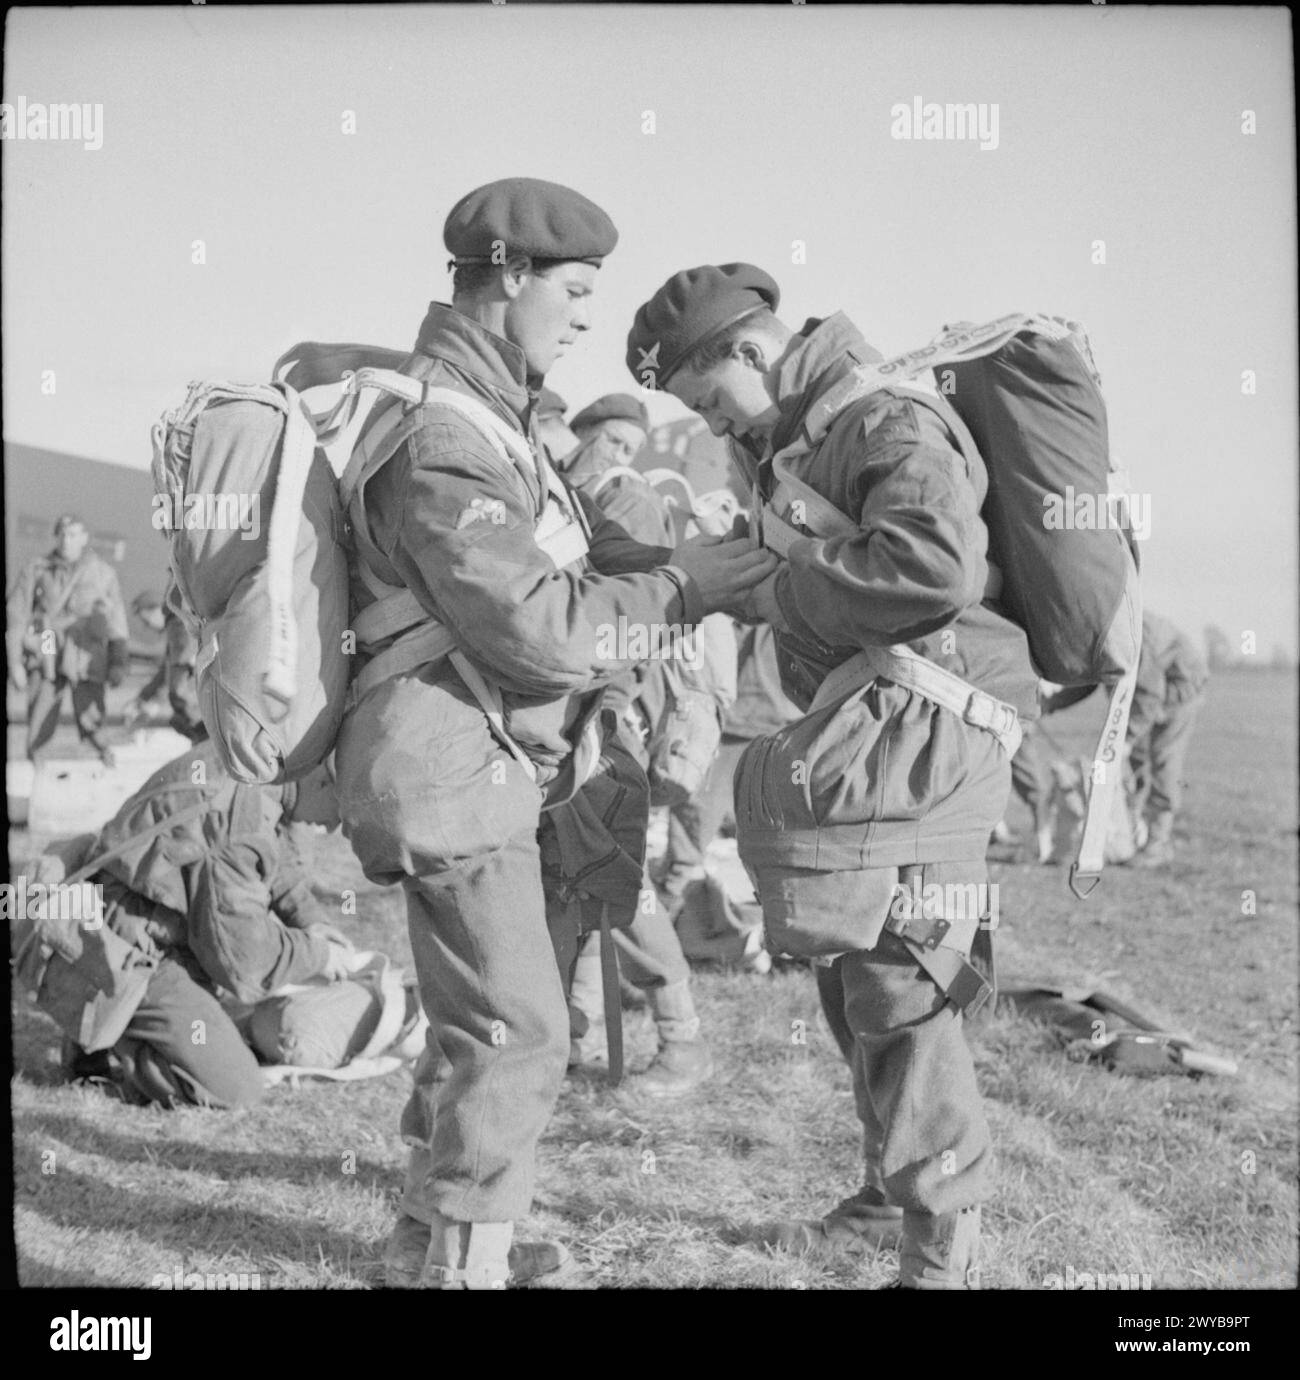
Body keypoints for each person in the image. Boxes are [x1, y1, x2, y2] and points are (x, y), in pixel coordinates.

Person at [330, 180, 775, 1290]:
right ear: (506, 274)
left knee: (474, 1017)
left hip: (472, 761)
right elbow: (536, 629)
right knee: (521, 1028)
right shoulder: (442, 434)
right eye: (573, 291)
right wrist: (681, 589)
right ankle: (463, 1270)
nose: (584, 317)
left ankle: (422, 1237)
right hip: (450, 764)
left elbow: (564, 562)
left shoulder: (494, 421)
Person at [627, 263, 1039, 1288]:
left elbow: (928, 568)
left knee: (900, 985)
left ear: (756, 353)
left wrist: (773, 595)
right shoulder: (799, 439)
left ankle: (938, 1251)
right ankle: (882, 1198)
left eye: (711, 399)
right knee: (848, 965)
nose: (713, 423)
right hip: (872, 724)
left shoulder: (881, 423)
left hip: (932, 724)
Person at [27, 740, 358, 1109]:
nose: (332, 828)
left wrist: (310, 921)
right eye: (339, 814)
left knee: (219, 1037)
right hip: (132, 944)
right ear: (323, 781)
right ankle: (114, 1026)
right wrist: (320, 956)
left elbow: (279, 861)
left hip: (149, 924)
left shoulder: (259, 764)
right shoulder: (237, 821)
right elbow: (245, 961)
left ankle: (124, 1018)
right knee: (235, 1089)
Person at [558, 392, 717, 1094]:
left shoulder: (626, 500)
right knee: (574, 879)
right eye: (610, 442)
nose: (618, 456)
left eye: (628, 444)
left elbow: (637, 614)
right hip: (563, 716)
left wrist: (609, 709)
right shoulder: (565, 496)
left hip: (603, 716)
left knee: (616, 872)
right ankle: (572, 1030)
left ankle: (682, 1041)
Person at [6, 513, 130, 766]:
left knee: (93, 722)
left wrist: (118, 664)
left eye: (73, 534)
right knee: (39, 723)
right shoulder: (37, 569)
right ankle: (40, 778)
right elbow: (17, 617)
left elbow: (117, 624)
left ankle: (104, 773)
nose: (66, 540)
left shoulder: (103, 574)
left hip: (85, 655)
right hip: (49, 649)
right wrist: (15, 664)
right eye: (61, 534)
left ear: (84, 538)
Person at [1124, 609, 1208, 866]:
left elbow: (1150, 694)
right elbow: (1090, 678)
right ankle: (1133, 832)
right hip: (1147, 693)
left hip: (1181, 690)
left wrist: (1126, 739)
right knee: (1133, 762)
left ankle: (1157, 845)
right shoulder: (1110, 626)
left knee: (1163, 760)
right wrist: (1051, 704)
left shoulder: (1135, 631)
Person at [128, 586, 206, 742]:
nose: (147, 625)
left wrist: (153, 706)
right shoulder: (179, 622)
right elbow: (167, 671)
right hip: (200, 705)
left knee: (185, 725)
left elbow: (179, 673)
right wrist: (145, 697)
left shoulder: (178, 625)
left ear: (156, 609)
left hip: (198, 708)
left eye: (146, 619)